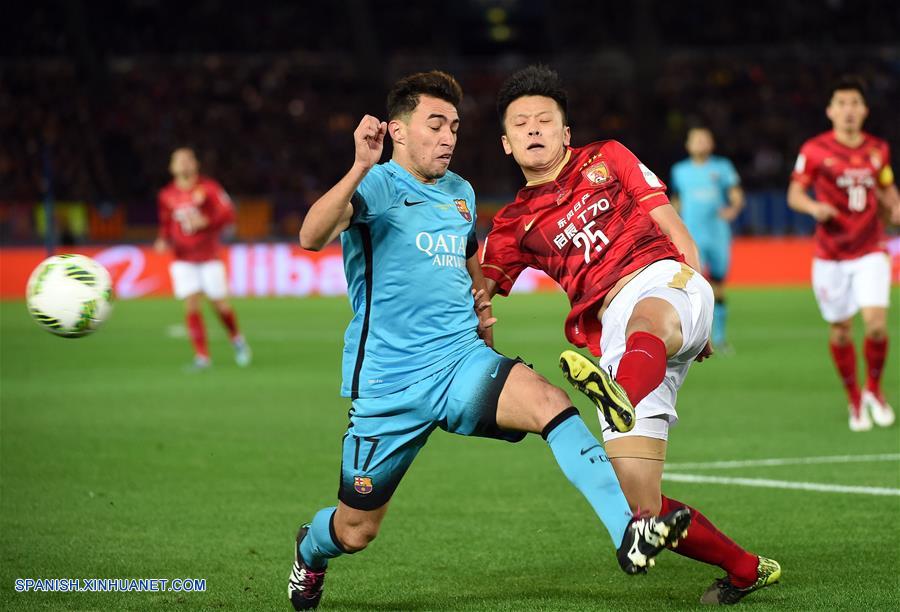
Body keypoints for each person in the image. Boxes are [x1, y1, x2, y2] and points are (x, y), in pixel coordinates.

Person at [288, 71, 690, 611]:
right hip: (390, 386)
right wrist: (360, 165)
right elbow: (310, 236)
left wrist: (482, 310)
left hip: (460, 362)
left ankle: (629, 531)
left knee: (551, 403)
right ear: (397, 131)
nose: (448, 138)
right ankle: (310, 549)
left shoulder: (460, 193)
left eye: (454, 127)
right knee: (356, 530)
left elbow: (469, 258)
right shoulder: (378, 184)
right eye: (435, 125)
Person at [479, 65, 780, 605]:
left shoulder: (607, 156)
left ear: (566, 131)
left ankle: (620, 391)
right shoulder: (514, 223)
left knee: (649, 320)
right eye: (521, 123)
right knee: (641, 508)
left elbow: (672, 225)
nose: (534, 129)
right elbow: (478, 290)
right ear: (506, 143)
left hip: (664, 279)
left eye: (545, 119)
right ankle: (746, 570)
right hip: (617, 339)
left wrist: (700, 306)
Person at [788, 76, 899, 432]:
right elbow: (795, 194)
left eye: (855, 103)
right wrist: (813, 208)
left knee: (877, 326)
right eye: (842, 103)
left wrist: (894, 205)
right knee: (840, 331)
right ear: (830, 111)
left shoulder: (878, 149)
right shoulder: (814, 150)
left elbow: (886, 186)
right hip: (831, 254)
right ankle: (854, 399)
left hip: (870, 248)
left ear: (865, 110)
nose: (848, 110)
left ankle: (874, 391)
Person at [155, 147, 251, 370]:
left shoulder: (209, 188)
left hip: (208, 256)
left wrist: (207, 221)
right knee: (191, 304)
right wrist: (163, 239)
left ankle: (237, 339)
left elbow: (228, 213)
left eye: (188, 159)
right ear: (171, 167)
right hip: (182, 258)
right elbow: (166, 222)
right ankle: (202, 357)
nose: (183, 164)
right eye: (179, 160)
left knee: (220, 305)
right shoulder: (166, 195)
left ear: (195, 164)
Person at [670, 127, 745, 352]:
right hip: (691, 236)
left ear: (711, 144)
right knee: (690, 285)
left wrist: (734, 208)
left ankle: (719, 337)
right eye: (696, 139)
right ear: (688, 145)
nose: (700, 143)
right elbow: (675, 199)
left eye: (704, 139)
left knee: (719, 284)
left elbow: (735, 193)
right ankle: (692, 337)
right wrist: (671, 225)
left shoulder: (722, 167)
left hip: (717, 234)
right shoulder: (679, 170)